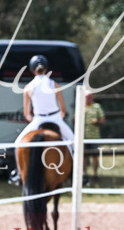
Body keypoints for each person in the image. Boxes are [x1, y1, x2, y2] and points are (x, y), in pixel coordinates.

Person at [9, 55, 75, 184]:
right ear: (46, 69)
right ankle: (76, 172)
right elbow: (63, 109)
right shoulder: (53, 84)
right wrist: (59, 118)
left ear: (32, 70)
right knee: (73, 142)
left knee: (18, 144)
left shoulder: (28, 87)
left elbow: (27, 114)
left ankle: (17, 173)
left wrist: (32, 119)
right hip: (56, 118)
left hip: (38, 120)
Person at [83, 91, 106, 185]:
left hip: (94, 137)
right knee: (83, 156)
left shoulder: (97, 107)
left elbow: (102, 120)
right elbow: (74, 121)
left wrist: (97, 121)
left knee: (95, 156)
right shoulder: (80, 107)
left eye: (90, 97)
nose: (89, 98)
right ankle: (85, 174)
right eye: (87, 97)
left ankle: (95, 174)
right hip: (83, 136)